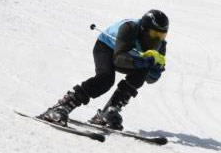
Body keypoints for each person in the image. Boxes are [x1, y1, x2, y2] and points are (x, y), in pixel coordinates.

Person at [38, 10, 168, 130]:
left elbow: (150, 80)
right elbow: (118, 58)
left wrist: (155, 70)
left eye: (162, 35)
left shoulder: (161, 45)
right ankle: (63, 106)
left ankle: (110, 110)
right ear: (143, 28)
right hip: (107, 48)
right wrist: (139, 62)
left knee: (142, 71)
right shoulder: (129, 28)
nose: (157, 38)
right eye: (154, 33)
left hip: (129, 59)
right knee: (105, 79)